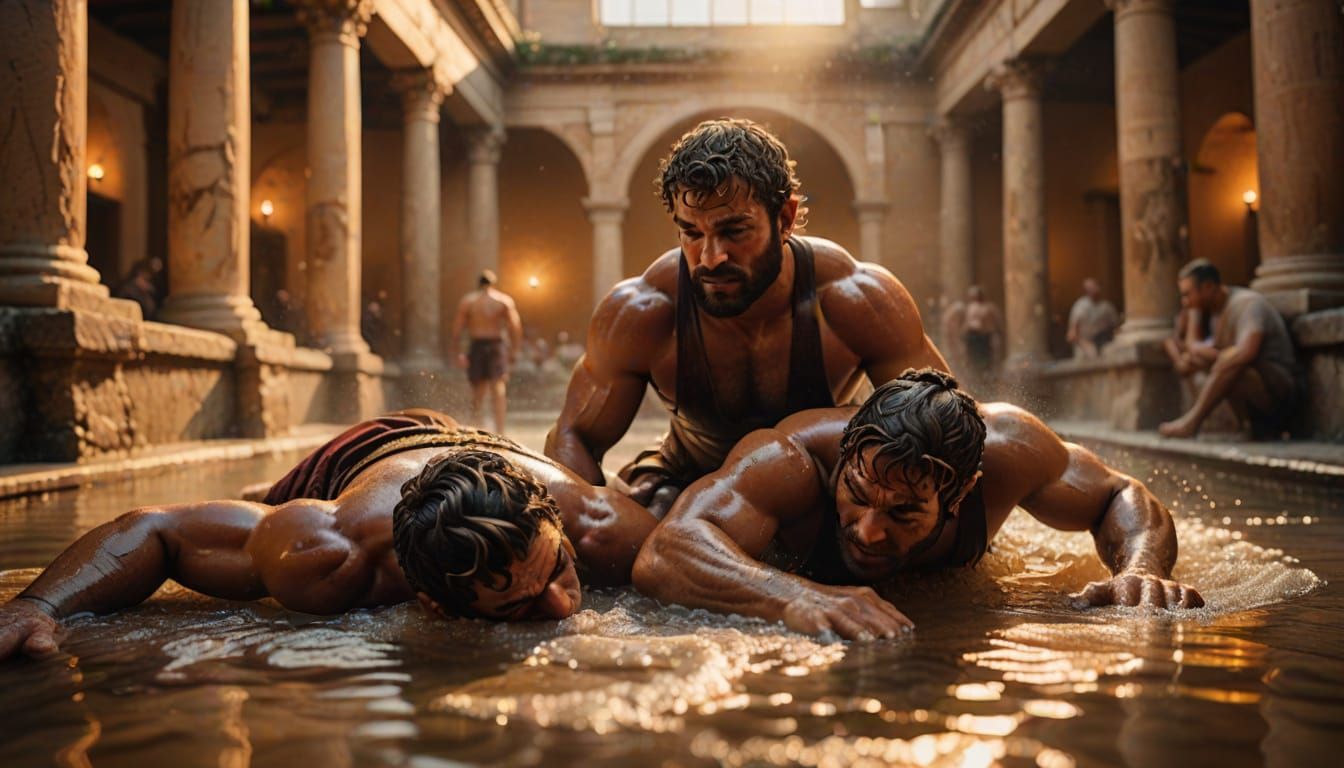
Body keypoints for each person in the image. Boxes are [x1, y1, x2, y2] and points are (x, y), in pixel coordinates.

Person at [0, 410, 658, 661]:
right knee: (266, 510)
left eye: (556, 568)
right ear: (432, 604)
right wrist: (38, 605)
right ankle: (263, 493)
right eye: (516, 606)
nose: (561, 606)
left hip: (483, 449)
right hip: (366, 449)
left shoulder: (596, 525)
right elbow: (157, 530)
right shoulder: (331, 554)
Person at [545, 118, 947, 517]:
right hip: (690, 483)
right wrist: (588, 520)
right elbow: (573, 436)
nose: (711, 258)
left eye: (734, 231)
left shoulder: (857, 299)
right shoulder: (642, 311)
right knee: (623, 521)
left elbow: (949, 427)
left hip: (820, 482)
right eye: (692, 233)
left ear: (785, 219)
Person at [633, 369, 1204, 640]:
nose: (868, 531)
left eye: (903, 513)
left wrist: (1141, 568)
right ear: (846, 458)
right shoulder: (787, 461)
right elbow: (665, 551)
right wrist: (797, 594)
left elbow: (1120, 493)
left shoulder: (1011, 453)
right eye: (857, 497)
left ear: (962, 493)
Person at [1158, 260, 1302, 439]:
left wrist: (1205, 349)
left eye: (1188, 294)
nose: (1185, 302)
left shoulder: (1247, 304)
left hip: (1280, 394)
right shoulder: (1216, 313)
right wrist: (1194, 344)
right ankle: (1244, 425)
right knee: (1195, 361)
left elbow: (1247, 352)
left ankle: (1192, 422)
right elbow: (1196, 355)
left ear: (1208, 287)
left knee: (1230, 362)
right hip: (1256, 394)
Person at [452, 270, 523, 434]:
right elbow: (515, 326)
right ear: (493, 283)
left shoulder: (469, 301)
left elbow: (457, 329)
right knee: (498, 388)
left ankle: (477, 428)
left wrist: (457, 351)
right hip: (496, 344)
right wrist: (515, 349)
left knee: (478, 390)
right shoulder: (503, 300)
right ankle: (500, 430)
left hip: (477, 344)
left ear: (478, 283)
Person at [1066, 278, 1120, 359]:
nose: (1094, 289)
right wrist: (1087, 345)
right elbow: (1071, 335)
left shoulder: (1107, 307)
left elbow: (1116, 328)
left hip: (1104, 344)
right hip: (1084, 346)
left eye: (1095, 286)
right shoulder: (1080, 306)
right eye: (1090, 288)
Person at [960, 285, 1002, 386]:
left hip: (984, 338)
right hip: (973, 339)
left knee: (986, 361)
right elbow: (967, 323)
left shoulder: (989, 307)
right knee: (973, 361)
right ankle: (975, 380)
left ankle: (987, 380)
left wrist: (995, 333)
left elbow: (997, 323)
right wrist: (964, 333)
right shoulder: (970, 307)